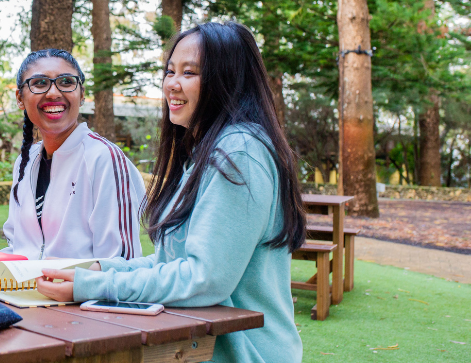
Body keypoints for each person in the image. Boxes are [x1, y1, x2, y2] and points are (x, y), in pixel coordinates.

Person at [37, 22, 307, 363]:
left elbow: (204, 278)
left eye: (189, 72)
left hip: (246, 353)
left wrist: (92, 286)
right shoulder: (202, 155)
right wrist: (100, 270)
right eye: (169, 71)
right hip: (197, 345)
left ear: (226, 80)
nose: (172, 85)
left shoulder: (240, 151)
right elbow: (173, 263)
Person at [1, 49, 144, 260]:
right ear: (20, 98)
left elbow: (121, 266)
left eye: (66, 82)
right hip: (22, 291)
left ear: (82, 94)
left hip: (82, 293)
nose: (53, 93)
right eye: (39, 83)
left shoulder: (103, 159)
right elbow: (17, 246)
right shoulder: (26, 161)